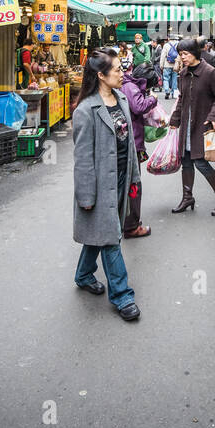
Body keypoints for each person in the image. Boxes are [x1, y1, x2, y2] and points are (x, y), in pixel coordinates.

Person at [71, 52, 142, 321]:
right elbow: (82, 159)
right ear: (100, 75)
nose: (122, 73)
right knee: (111, 237)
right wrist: (86, 195)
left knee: (101, 231)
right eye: (116, 70)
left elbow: (129, 146)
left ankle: (83, 274)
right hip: (100, 184)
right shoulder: (86, 110)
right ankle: (123, 295)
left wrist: (134, 177)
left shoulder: (121, 98)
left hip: (121, 177)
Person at [168, 37, 215, 215]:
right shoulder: (183, 73)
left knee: (200, 162)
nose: (183, 57)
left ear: (195, 52)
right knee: (186, 162)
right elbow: (181, 98)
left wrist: (213, 115)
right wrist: (175, 120)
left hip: (202, 125)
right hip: (187, 125)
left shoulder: (210, 72)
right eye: (181, 54)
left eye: (185, 54)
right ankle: (187, 197)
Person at [120, 64, 160, 239]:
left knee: (129, 183)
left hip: (130, 140)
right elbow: (138, 107)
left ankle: (126, 221)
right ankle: (131, 226)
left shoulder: (128, 85)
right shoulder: (131, 87)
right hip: (131, 141)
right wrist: (152, 99)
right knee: (134, 184)